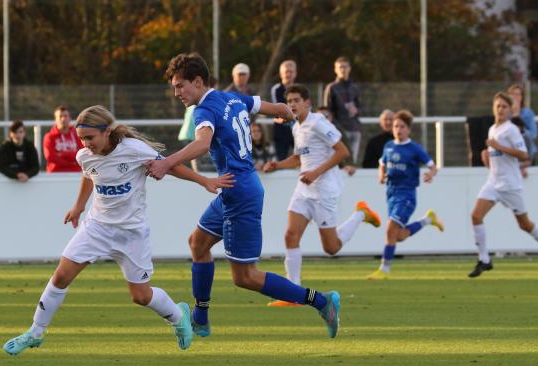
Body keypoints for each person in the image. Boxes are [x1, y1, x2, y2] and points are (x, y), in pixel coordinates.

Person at [3, 105, 234, 356]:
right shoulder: (84, 155)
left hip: (131, 233)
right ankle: (35, 333)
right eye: (82, 138)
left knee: (141, 297)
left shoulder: (133, 150)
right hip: (97, 227)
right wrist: (79, 206)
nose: (86, 144)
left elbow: (171, 166)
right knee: (60, 276)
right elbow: (88, 175)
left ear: (107, 132)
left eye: (90, 137)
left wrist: (205, 181)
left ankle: (179, 316)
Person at [147, 53, 342, 339]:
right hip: (234, 187)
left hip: (240, 194)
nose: (176, 93)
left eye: (180, 86)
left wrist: (165, 162)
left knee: (246, 277)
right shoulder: (233, 97)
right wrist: (287, 115)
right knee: (198, 243)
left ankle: (321, 301)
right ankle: (200, 318)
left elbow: (202, 143)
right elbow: (276, 107)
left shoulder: (202, 111)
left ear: (198, 81)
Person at [262, 84, 381, 286]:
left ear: (307, 103)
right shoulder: (297, 127)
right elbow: (299, 159)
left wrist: (316, 172)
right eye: (289, 101)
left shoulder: (318, 123)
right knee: (291, 236)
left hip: (324, 191)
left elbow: (343, 152)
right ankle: (293, 290)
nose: (292, 104)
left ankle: (361, 213)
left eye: (296, 100)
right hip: (304, 190)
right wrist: (277, 165)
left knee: (331, 248)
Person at [469, 92, 538, 277]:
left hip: (510, 185)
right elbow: (497, 160)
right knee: (476, 216)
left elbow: (524, 155)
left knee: (525, 225)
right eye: (498, 106)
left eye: (504, 107)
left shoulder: (511, 130)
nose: (500, 109)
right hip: (493, 182)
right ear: (493, 108)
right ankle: (484, 259)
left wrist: (499, 147)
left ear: (510, 111)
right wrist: (487, 159)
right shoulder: (493, 129)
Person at [366, 110, 443, 280]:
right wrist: (381, 174)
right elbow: (382, 163)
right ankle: (428, 219)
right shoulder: (388, 146)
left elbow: (433, 165)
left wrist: (431, 174)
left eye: (402, 126)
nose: (398, 129)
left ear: (408, 129)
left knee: (389, 230)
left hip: (407, 196)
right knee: (398, 236)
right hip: (391, 194)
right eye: (395, 126)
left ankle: (384, 269)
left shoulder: (415, 148)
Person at [324, 56, 363, 166]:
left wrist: (356, 110)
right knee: (340, 162)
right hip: (339, 130)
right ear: (335, 69)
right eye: (340, 67)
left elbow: (361, 107)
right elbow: (327, 110)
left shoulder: (354, 87)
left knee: (352, 162)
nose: (343, 69)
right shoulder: (331, 87)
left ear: (349, 68)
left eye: (345, 67)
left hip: (354, 128)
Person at [43, 105, 83, 173]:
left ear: (70, 118)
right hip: (55, 174)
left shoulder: (77, 135)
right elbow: (50, 157)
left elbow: (82, 153)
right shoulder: (49, 137)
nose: (63, 119)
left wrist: (61, 154)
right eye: (60, 116)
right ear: (55, 119)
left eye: (65, 116)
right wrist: (71, 162)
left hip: (76, 174)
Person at [270, 60, 297, 160]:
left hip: (298, 130)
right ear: (281, 74)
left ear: (295, 73)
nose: (288, 74)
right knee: (281, 160)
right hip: (281, 131)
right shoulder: (276, 89)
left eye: (291, 71)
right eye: (286, 71)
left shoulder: (300, 90)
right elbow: (278, 111)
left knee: (303, 160)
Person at [507, 84, 538, 167]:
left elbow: (533, 134)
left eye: (518, 94)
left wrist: (522, 131)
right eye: (513, 94)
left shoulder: (528, 113)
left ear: (521, 97)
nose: (515, 97)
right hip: (510, 152)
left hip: (527, 151)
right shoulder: (504, 113)